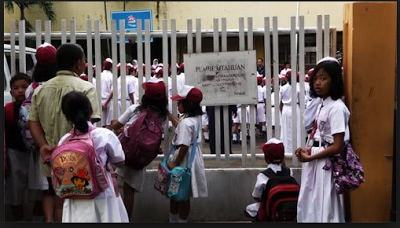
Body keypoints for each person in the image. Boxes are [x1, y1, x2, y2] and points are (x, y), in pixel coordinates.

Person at [28, 43, 101, 222]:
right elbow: (92, 123)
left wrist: (43, 145)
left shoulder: (40, 90)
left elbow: (33, 122)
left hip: (52, 157)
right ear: (77, 63)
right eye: (83, 60)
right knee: (76, 204)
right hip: (79, 159)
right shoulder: (86, 88)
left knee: (58, 199)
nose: (85, 63)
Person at [58, 91, 128, 222]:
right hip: (103, 193)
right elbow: (120, 161)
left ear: (67, 117)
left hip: (75, 195)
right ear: (90, 110)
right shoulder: (104, 135)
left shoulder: (64, 141)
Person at [295, 57, 350, 223]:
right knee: (311, 201)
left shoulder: (337, 108)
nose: (317, 83)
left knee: (325, 204)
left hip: (325, 164)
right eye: (316, 78)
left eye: (323, 78)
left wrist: (311, 156)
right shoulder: (322, 105)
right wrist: (308, 149)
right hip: (317, 158)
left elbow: (338, 145)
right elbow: (321, 137)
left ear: (334, 81)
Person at [110, 78, 168, 221]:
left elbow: (116, 126)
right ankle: (127, 219)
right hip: (141, 158)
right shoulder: (162, 117)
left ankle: (118, 218)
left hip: (124, 153)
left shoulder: (134, 109)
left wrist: (117, 126)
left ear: (145, 97)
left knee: (117, 187)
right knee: (130, 191)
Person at [24, 43, 58, 222]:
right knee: (59, 185)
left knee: (45, 186)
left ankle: (47, 219)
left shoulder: (32, 87)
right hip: (59, 140)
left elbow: (30, 118)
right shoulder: (58, 85)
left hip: (40, 143)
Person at [167, 85, 208, 223]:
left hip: (183, 159)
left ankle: (175, 220)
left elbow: (184, 146)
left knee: (178, 193)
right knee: (184, 193)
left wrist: (175, 162)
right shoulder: (194, 119)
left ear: (188, 104)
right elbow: (181, 125)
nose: (177, 104)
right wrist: (170, 116)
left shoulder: (186, 123)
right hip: (192, 157)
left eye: (179, 102)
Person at [4, 73, 32, 222]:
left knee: (38, 192)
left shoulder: (36, 107)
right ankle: (19, 220)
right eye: (16, 88)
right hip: (14, 155)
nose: (20, 90)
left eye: (24, 87)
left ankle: (37, 219)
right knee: (15, 191)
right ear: (11, 92)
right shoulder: (7, 110)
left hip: (34, 155)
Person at [245, 138, 289, 218]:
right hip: (287, 208)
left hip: (269, 209)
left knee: (248, 209)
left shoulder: (263, 175)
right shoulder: (289, 172)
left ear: (266, 158)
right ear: (283, 157)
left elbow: (256, 196)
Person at [279, 69, 301, 156]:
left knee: (286, 129)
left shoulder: (283, 88)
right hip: (296, 108)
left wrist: (282, 111)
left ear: (286, 79)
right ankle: (298, 148)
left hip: (286, 108)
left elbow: (280, 103)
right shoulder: (299, 87)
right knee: (297, 129)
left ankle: (287, 151)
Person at [101, 58, 114, 129]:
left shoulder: (99, 76)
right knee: (108, 124)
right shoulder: (112, 76)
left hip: (100, 100)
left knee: (100, 123)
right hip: (108, 101)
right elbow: (112, 91)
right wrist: (106, 103)